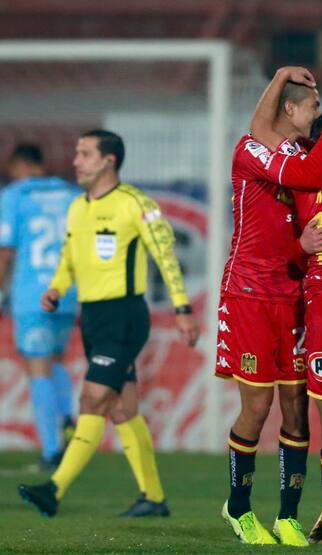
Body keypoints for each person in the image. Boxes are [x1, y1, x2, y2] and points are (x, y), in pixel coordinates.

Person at [17, 129, 200, 518]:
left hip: (124, 316)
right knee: (122, 410)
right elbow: (69, 255)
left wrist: (183, 309)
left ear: (108, 161)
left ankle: (54, 488)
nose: (76, 161)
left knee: (91, 400)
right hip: (93, 317)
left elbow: (165, 255)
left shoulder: (134, 203)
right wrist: (55, 288)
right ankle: (153, 498)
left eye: (84, 154)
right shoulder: (78, 207)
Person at [215, 66, 322, 547]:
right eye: (312, 106)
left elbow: (301, 234)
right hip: (250, 295)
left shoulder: (293, 150)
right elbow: (313, 170)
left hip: (293, 296)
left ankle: (288, 516)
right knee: (257, 407)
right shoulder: (252, 150)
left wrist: (304, 247)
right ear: (290, 109)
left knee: (297, 409)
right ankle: (238, 508)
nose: (318, 112)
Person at [0, 144, 79, 469]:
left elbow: (5, 251)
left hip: (33, 293)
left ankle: (51, 451)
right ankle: (67, 419)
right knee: (56, 358)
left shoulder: (15, 194)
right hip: (68, 291)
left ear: (20, 166)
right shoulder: (72, 194)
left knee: (37, 367)